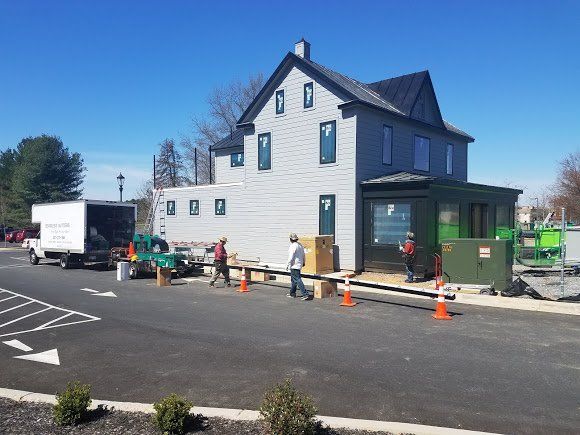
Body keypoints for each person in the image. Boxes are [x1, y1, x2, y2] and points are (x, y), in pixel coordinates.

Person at [286, 233, 311, 300]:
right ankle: (292, 293)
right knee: (294, 280)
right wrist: (303, 262)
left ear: (290, 239)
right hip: (299, 264)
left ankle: (305, 294)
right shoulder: (300, 245)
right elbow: (303, 254)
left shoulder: (293, 246)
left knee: (297, 279)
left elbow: (291, 256)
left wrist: (287, 264)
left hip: (294, 265)